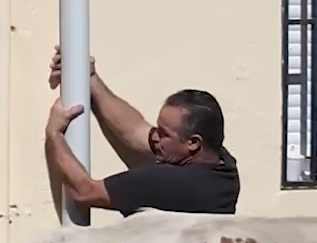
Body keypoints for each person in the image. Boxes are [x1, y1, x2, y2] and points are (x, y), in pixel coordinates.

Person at [45, 47, 239, 216]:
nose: (155, 138)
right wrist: (90, 79)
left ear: (193, 143)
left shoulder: (174, 183)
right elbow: (137, 129)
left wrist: (55, 134)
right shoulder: (224, 167)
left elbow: (84, 192)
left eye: (164, 134)